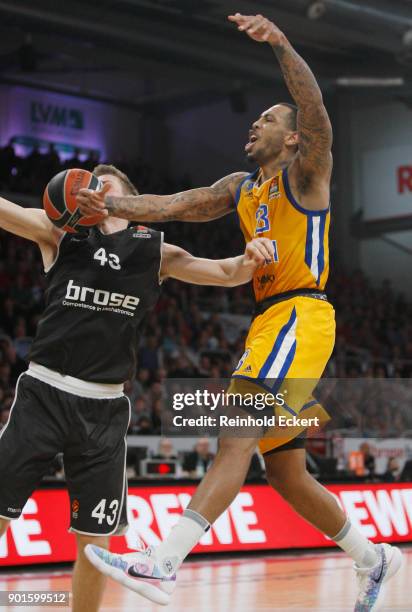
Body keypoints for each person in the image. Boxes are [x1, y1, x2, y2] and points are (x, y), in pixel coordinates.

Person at [79, 14, 402, 611]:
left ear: (294, 138)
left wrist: (280, 43)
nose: (256, 124)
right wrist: (112, 205)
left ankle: (164, 561)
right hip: (279, 323)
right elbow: (178, 204)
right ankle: (374, 557)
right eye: (258, 118)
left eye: (270, 120)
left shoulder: (307, 174)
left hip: (299, 316)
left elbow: (315, 108)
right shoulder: (241, 186)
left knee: (234, 434)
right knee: (284, 473)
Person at [0, 163, 273, 612]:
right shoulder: (61, 233)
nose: (91, 188)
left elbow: (226, 273)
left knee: (94, 544)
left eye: (102, 184)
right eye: (86, 183)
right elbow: (7, 211)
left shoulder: (154, 250)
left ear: (129, 198)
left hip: (104, 411)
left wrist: (251, 257)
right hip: (43, 395)